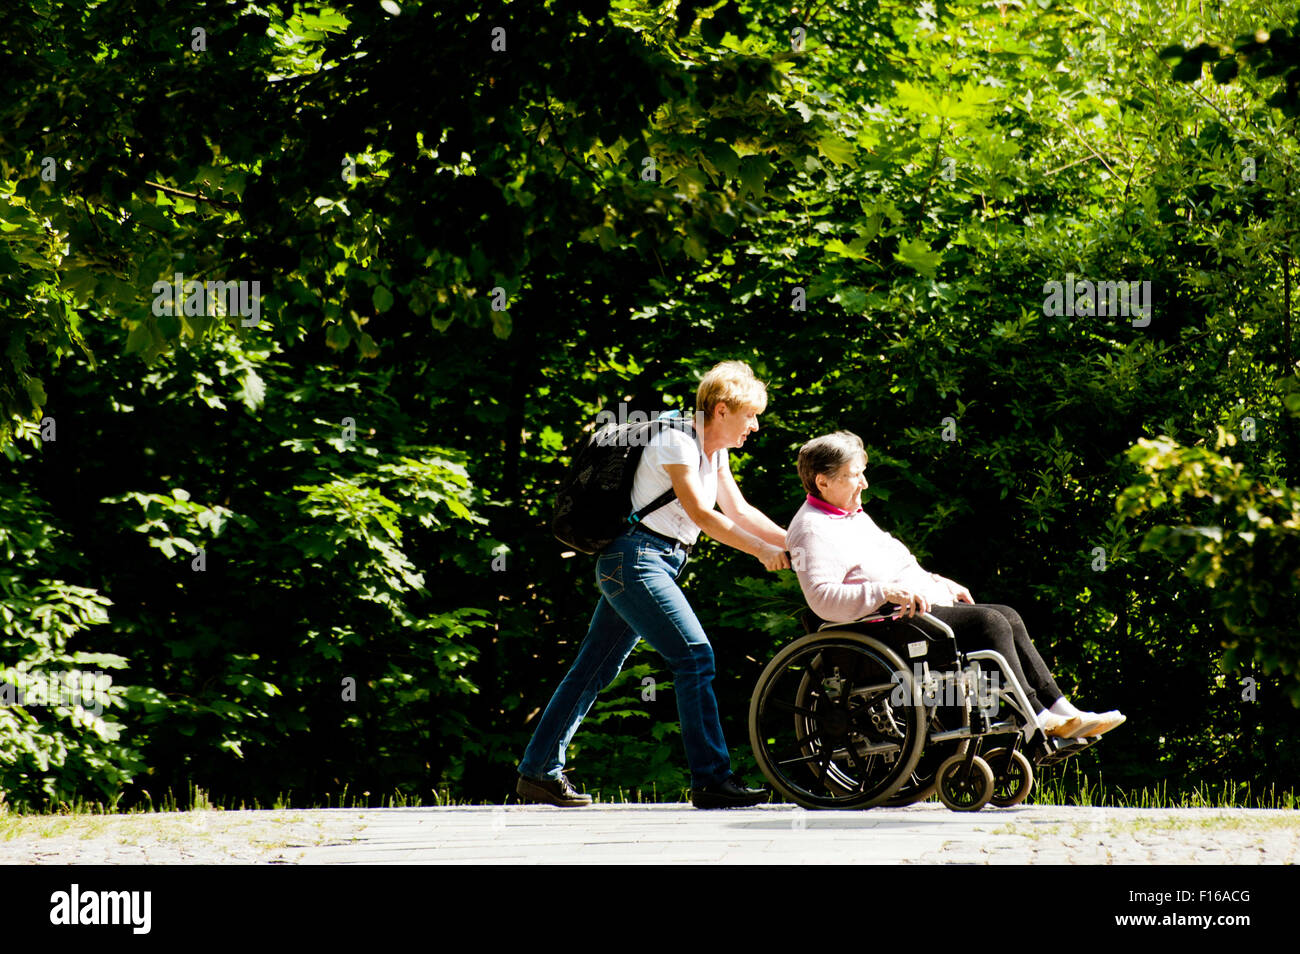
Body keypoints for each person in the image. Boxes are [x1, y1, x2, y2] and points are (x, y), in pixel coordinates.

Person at [517, 361, 792, 809]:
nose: (755, 426)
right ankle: (711, 780)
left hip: (651, 563)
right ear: (722, 410)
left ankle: (537, 772)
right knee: (695, 657)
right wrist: (761, 552)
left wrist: (801, 544)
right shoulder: (675, 441)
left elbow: (739, 512)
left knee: (593, 669)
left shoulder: (713, 451)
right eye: (751, 416)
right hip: (635, 562)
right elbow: (704, 516)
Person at [784, 430, 1125, 740]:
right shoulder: (813, 529)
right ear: (823, 481)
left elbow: (897, 565)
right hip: (881, 627)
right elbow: (821, 600)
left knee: (1006, 614)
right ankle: (1036, 715)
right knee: (988, 622)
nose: (865, 484)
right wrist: (884, 591)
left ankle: (1062, 710)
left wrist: (935, 581)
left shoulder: (850, 515)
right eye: (854, 475)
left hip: (907, 614)